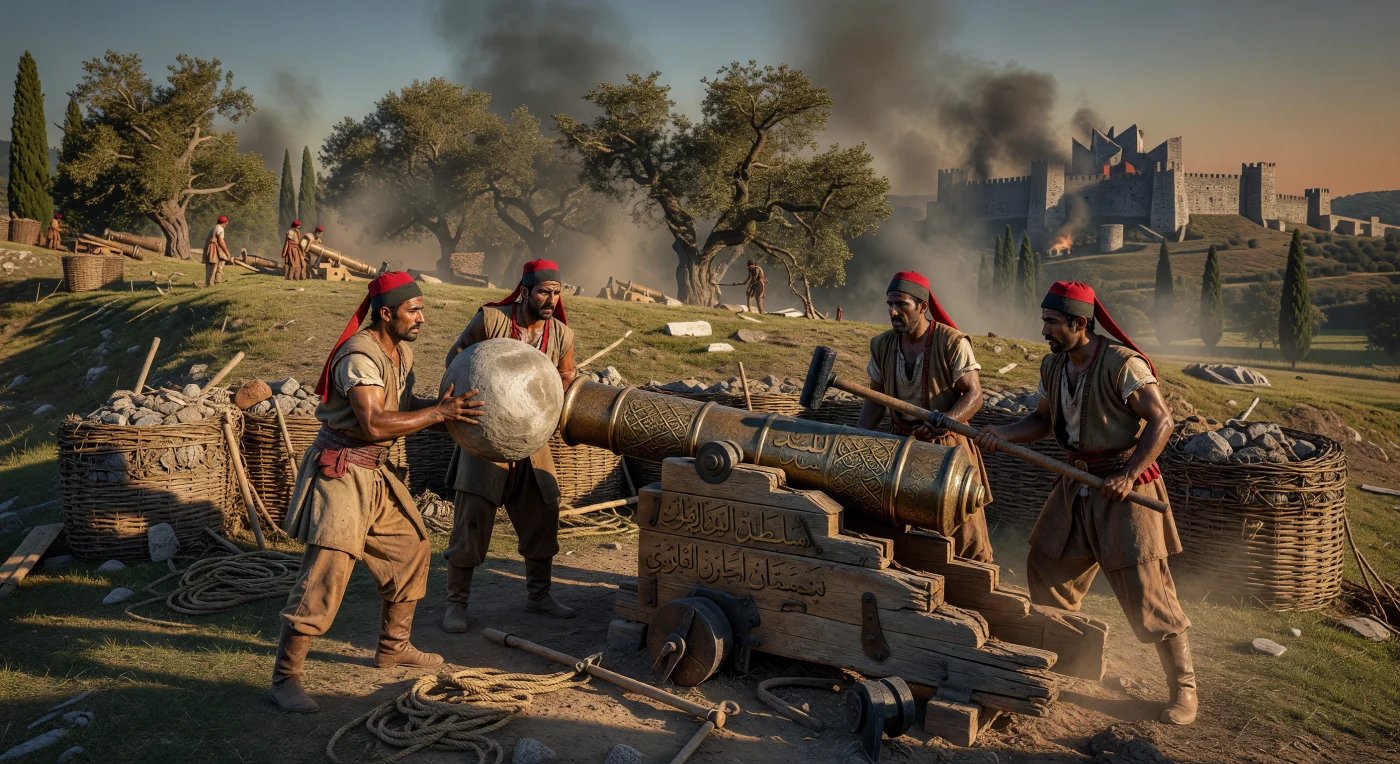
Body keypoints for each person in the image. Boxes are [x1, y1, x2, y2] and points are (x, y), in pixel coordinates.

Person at [974, 280, 1196, 726]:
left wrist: (1128, 473)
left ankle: (1184, 688)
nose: (1045, 330)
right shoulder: (1053, 366)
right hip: (1076, 483)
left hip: (1125, 488)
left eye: (1052, 322)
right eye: (1044, 321)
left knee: (1146, 587)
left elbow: (1162, 421)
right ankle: (1064, 659)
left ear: (1080, 323)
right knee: (1047, 564)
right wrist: (1002, 434)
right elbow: (1040, 419)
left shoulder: (1121, 364)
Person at [269, 271, 483, 714]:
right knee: (326, 572)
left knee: (411, 549)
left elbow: (400, 412)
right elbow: (373, 423)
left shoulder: (401, 352)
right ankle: (285, 677)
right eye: (414, 309)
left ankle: (393, 646)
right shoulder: (359, 355)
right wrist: (439, 413)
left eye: (422, 308)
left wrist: (443, 407)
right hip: (342, 471)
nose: (422, 317)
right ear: (387, 314)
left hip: (375, 472)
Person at [440, 259, 578, 633]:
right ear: (526, 291)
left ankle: (539, 596)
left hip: (534, 439)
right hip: (485, 436)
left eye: (557, 292)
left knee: (543, 513)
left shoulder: (561, 334)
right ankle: (456, 604)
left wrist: (561, 384)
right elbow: (456, 357)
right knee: (472, 519)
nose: (551, 299)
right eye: (544, 292)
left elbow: (567, 373)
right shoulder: (492, 320)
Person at [855, 270, 994, 563]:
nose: (893, 311)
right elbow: (875, 400)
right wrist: (858, 439)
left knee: (964, 534)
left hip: (948, 450)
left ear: (922, 306)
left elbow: (974, 395)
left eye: (901, 304)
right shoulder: (881, 345)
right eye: (890, 304)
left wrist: (944, 421)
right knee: (901, 527)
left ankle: (975, 587)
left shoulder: (953, 342)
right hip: (899, 448)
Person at [203, 216, 231, 287]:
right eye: (226, 222)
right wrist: (227, 253)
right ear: (225, 223)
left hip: (213, 247)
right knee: (212, 265)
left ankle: (217, 281)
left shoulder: (215, 227)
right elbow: (221, 242)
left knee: (220, 263)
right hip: (213, 248)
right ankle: (210, 284)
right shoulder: (220, 228)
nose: (227, 223)